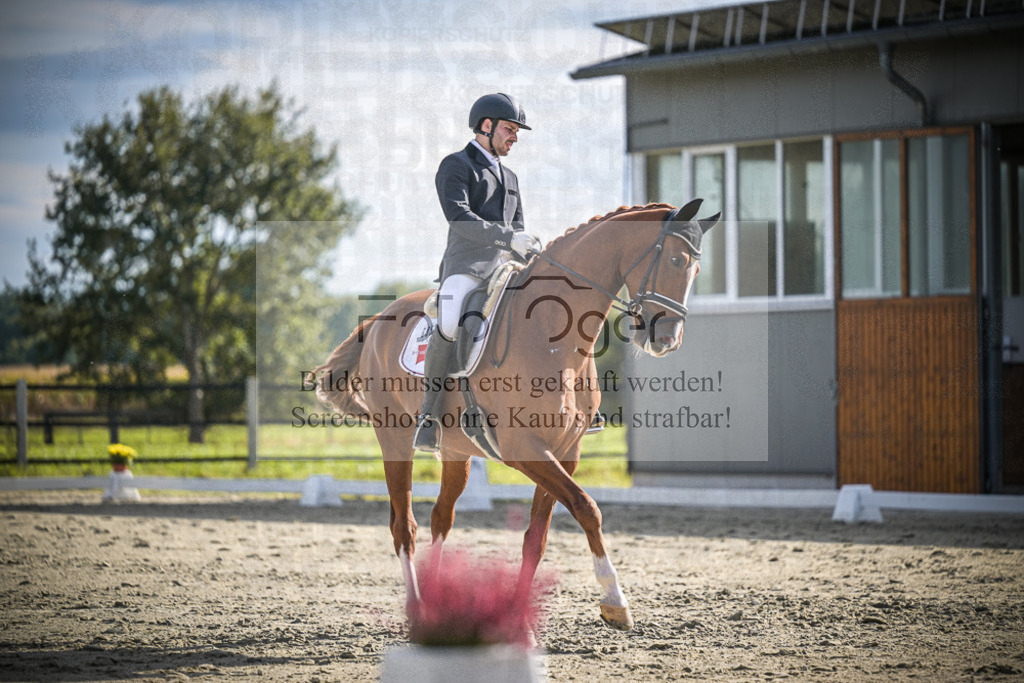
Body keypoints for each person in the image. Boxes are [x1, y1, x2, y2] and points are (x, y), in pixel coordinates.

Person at [413, 93, 542, 453]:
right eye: (509, 129)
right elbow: (460, 217)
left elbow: (518, 225)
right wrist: (508, 237)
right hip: (467, 265)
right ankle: (428, 415)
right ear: (486, 126)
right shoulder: (456, 165)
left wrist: (526, 245)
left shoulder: (511, 176)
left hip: (506, 268)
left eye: (516, 131)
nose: (514, 137)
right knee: (451, 321)